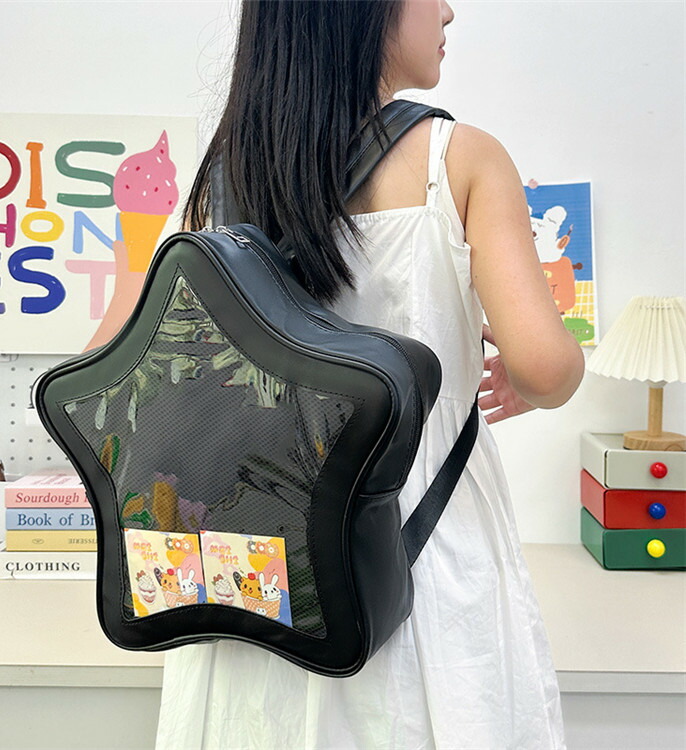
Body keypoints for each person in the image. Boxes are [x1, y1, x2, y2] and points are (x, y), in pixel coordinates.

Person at [155, 1, 584, 748]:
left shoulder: (219, 182)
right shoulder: (459, 159)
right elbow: (547, 369)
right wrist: (526, 370)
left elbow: (116, 356)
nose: (448, 10)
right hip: (422, 563)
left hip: (255, 573)